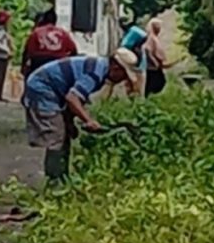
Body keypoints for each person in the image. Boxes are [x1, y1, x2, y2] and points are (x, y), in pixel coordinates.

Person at [24, 49, 139, 182]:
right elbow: (72, 98)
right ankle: (54, 180)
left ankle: (62, 177)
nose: (122, 80)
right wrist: (88, 120)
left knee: (65, 134)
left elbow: (74, 98)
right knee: (56, 137)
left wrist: (70, 122)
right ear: (116, 67)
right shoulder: (95, 73)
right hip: (42, 87)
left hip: (53, 88)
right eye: (124, 75)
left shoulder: (100, 68)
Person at [21, 9, 77, 79]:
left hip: (39, 63)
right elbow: (73, 50)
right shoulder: (63, 33)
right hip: (58, 63)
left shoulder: (36, 32)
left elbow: (28, 52)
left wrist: (23, 68)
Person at [144, 17, 170, 96]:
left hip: (152, 68)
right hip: (152, 68)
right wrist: (155, 62)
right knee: (155, 84)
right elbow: (147, 50)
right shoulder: (152, 38)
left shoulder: (152, 37)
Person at [120, 21, 148, 95]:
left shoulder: (133, 31)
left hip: (135, 63)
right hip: (140, 64)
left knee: (136, 86)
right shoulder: (138, 31)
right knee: (140, 90)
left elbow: (124, 45)